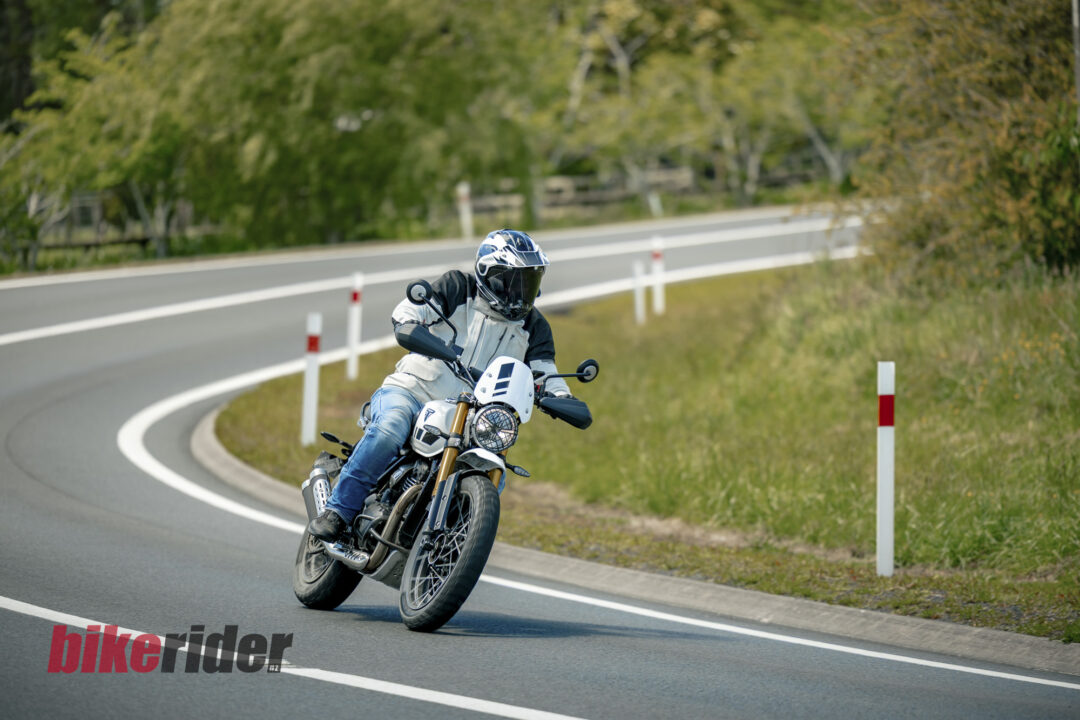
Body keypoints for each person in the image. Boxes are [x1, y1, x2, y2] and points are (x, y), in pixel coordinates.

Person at [307, 229, 572, 542]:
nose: (520, 292)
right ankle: (338, 511)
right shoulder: (458, 288)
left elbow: (545, 373)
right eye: (513, 281)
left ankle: (450, 549)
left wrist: (561, 398)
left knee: (491, 475)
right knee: (390, 428)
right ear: (488, 274)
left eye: (528, 282)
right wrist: (410, 325)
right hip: (413, 391)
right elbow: (410, 310)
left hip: (473, 419)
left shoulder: (535, 326)